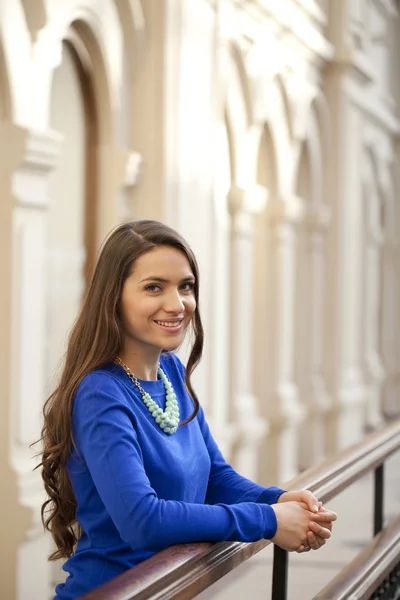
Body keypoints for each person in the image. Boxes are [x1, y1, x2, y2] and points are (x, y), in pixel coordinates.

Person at [38, 220, 337, 600]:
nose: (177, 304)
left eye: (186, 286)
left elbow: (214, 477)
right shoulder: (101, 394)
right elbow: (142, 521)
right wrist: (267, 521)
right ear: (113, 296)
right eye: (153, 287)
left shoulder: (171, 372)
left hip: (172, 586)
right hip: (116, 592)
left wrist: (277, 500)